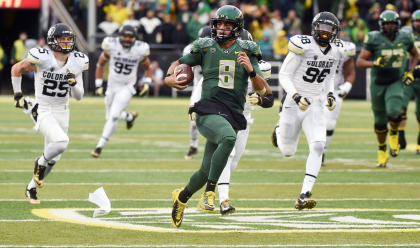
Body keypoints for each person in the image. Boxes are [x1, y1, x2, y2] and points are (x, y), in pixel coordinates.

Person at [164, 5, 273, 228]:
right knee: (229, 139)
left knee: (205, 170)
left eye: (227, 25)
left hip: (232, 114)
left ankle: (182, 198)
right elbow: (180, 62)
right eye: (219, 25)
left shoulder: (248, 50)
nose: (222, 29)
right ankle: (210, 193)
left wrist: (251, 71)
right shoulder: (205, 46)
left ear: (237, 28)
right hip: (208, 110)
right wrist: (169, 79)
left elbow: (265, 92)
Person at [11, 23, 89, 204]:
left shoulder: (78, 60)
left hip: (63, 110)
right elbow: (16, 69)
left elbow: (79, 96)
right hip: (43, 108)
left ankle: (31, 187)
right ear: (53, 40)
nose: (66, 43)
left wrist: (73, 83)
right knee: (61, 143)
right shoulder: (43, 57)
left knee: (56, 157)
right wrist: (18, 95)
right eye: (62, 39)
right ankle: (40, 162)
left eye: (69, 39)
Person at [272, 12, 341, 210]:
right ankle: (278, 128)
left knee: (318, 146)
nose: (326, 33)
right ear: (314, 28)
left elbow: (329, 77)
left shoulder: (336, 50)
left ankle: (304, 193)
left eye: (330, 30)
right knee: (287, 151)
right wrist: (295, 96)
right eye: (323, 28)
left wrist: (330, 94)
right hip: (294, 103)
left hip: (316, 103)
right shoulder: (303, 45)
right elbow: (284, 75)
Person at [356, 10, 418, 167]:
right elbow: (360, 61)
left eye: (392, 23)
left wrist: (410, 71)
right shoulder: (374, 38)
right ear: (381, 25)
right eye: (387, 24)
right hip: (378, 82)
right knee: (379, 121)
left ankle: (395, 133)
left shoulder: (405, 36)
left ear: (397, 25)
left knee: (394, 111)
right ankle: (382, 148)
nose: (390, 27)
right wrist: (374, 63)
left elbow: (414, 55)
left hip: (396, 80)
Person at [183, 25, 254, 160]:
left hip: (221, 88)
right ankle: (193, 145)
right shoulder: (191, 50)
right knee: (193, 121)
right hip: (201, 84)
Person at [91, 25, 153, 158]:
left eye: (130, 37)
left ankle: (99, 146)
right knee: (110, 117)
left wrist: (147, 82)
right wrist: (98, 84)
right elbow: (100, 64)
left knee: (113, 116)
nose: (127, 39)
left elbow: (148, 67)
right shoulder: (112, 46)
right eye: (125, 36)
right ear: (120, 36)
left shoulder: (139, 49)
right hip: (111, 86)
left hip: (127, 87)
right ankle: (129, 117)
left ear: (134, 38)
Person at [322, 34, 357, 166]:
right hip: (314, 90)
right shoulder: (311, 46)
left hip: (334, 91)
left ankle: (322, 151)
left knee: (329, 124)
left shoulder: (344, 48)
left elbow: (350, 72)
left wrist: (347, 86)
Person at [398, 10, 420, 155]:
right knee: (401, 107)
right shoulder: (406, 34)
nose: (418, 24)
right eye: (416, 21)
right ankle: (400, 135)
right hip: (408, 75)